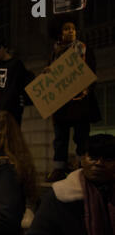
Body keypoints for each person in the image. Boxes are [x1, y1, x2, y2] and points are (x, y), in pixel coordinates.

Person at [24, 134, 115, 235]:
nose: (99, 163)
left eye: (107, 159)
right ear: (82, 159)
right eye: (93, 157)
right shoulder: (61, 194)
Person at [44, 19, 100, 182]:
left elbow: (91, 72)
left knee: (81, 136)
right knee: (60, 138)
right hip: (61, 104)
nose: (71, 31)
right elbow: (52, 77)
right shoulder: (54, 53)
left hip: (80, 101)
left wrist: (87, 88)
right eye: (67, 28)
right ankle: (59, 169)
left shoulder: (83, 49)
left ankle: (82, 167)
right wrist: (48, 72)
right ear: (60, 33)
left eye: (73, 28)